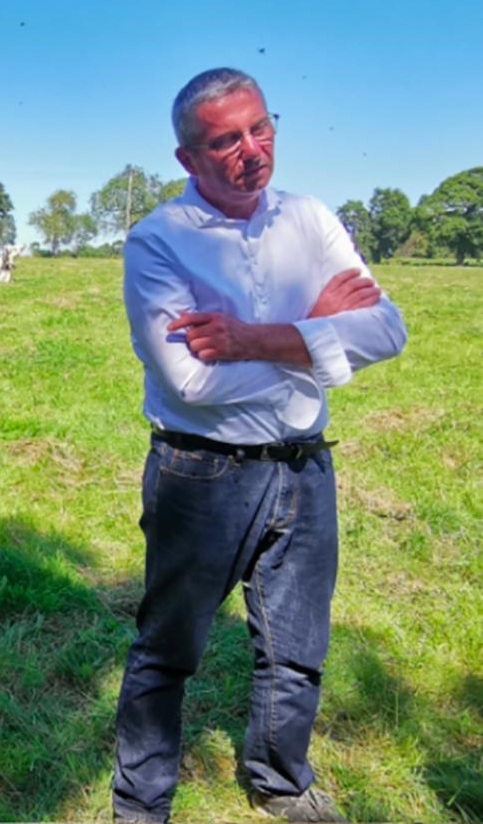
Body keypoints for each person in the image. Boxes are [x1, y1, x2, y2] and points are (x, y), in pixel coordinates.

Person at [113, 68, 407, 823]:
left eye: (261, 127)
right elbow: (189, 382)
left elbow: (388, 330)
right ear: (188, 159)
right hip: (201, 473)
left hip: (306, 466)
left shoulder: (309, 219)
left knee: (298, 644)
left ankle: (279, 781)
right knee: (167, 650)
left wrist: (253, 338)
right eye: (225, 140)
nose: (251, 149)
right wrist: (318, 330)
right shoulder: (158, 241)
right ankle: (140, 806)